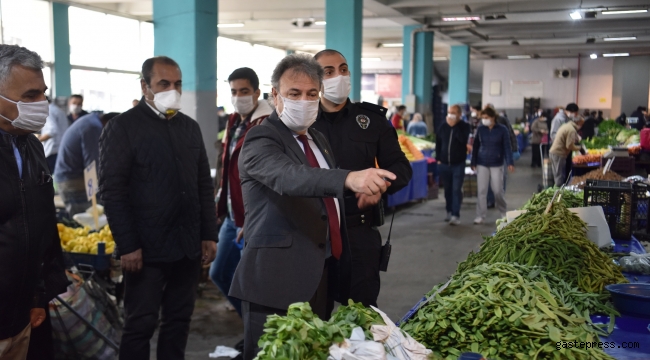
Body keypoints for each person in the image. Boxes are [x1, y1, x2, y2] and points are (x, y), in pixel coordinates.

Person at [229, 54, 396, 360]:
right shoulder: (261, 138)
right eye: (294, 94)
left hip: (320, 273)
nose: (303, 102)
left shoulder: (317, 137)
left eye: (311, 94)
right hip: (276, 280)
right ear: (275, 95)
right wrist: (349, 178)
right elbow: (290, 178)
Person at [98, 56, 218, 360]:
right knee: (140, 324)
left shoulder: (189, 128)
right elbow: (112, 191)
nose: (172, 90)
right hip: (145, 249)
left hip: (187, 245)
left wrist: (208, 233)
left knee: (179, 321)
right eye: (164, 83)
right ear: (145, 86)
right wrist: (128, 245)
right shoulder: (122, 128)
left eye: (177, 84)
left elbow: (203, 185)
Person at [312, 49, 412, 307]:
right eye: (329, 71)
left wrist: (381, 186)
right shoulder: (304, 122)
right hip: (313, 235)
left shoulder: (372, 121)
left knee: (362, 316)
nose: (339, 76)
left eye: (343, 69)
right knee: (312, 319)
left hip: (359, 233)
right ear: (316, 79)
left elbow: (400, 167)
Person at [0, 44, 68, 360]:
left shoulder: (32, 148)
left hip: (22, 315)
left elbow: (40, 226)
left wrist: (39, 293)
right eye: (30, 96)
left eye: (43, 93)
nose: (42, 103)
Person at [212, 67, 273, 321]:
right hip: (230, 215)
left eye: (244, 91)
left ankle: (258, 336)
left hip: (251, 218)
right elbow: (227, 167)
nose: (238, 97)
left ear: (257, 92)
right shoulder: (233, 120)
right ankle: (251, 328)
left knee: (252, 284)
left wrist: (254, 218)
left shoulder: (268, 123)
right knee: (219, 273)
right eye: (234, 91)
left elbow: (269, 177)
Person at [54, 112, 117, 216]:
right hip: (74, 183)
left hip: (74, 179)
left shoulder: (92, 121)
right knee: (87, 223)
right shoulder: (93, 128)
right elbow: (92, 166)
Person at [472, 107, 514, 224]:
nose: (484, 120)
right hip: (482, 163)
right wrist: (473, 161)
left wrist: (510, 161)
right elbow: (475, 146)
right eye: (483, 118)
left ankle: (503, 211)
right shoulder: (481, 129)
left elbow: (507, 146)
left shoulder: (502, 130)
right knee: (482, 190)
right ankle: (480, 215)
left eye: (486, 118)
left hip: (497, 163)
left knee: (497, 190)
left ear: (493, 117)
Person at [436, 104, 470, 225]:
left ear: (459, 114)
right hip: (444, 164)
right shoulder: (443, 126)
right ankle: (449, 211)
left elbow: (463, 140)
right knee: (447, 190)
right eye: (449, 112)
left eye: (453, 112)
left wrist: (454, 127)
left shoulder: (464, 126)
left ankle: (456, 215)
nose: (450, 114)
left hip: (458, 164)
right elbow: (438, 142)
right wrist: (438, 159)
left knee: (456, 189)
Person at [549, 116, 584, 186]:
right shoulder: (571, 130)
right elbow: (569, 145)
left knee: (557, 175)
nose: (581, 126)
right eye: (581, 124)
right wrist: (579, 148)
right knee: (560, 177)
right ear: (578, 123)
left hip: (554, 152)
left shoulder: (566, 125)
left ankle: (556, 192)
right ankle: (558, 194)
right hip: (559, 154)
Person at [39, 99, 68, 173]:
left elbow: (52, 131)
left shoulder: (48, 111)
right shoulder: (58, 110)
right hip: (60, 149)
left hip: (52, 151)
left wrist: (38, 140)